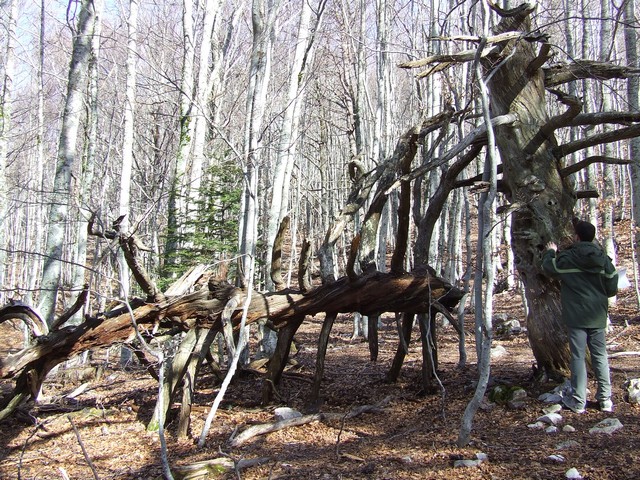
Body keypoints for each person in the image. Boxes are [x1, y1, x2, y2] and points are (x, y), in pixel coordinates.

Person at [542, 220, 618, 413]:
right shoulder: (603, 259)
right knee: (600, 355)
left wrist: (550, 251)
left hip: (576, 316)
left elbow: (550, 269)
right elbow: (611, 286)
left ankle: (578, 401)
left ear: (576, 236)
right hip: (597, 315)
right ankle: (605, 399)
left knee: (578, 357)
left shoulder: (569, 258)